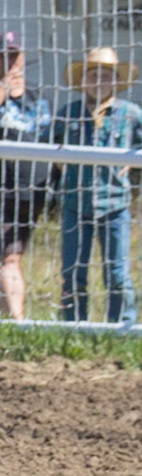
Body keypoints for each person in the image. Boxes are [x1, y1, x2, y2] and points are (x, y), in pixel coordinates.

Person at [51, 47, 142, 324]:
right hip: (75, 202)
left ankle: (121, 325)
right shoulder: (68, 113)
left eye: (106, 76)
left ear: (117, 81)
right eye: (93, 75)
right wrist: (64, 168)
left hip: (114, 203)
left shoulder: (131, 114)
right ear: (83, 80)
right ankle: (73, 323)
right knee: (73, 271)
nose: (99, 82)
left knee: (116, 271)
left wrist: (132, 164)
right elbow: (48, 144)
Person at [0, 33, 51, 321]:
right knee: (7, 259)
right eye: (4, 57)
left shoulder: (37, 97)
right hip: (2, 187)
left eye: (14, 56)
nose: (10, 63)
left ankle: (16, 321)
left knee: (11, 257)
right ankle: (15, 319)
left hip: (29, 192)